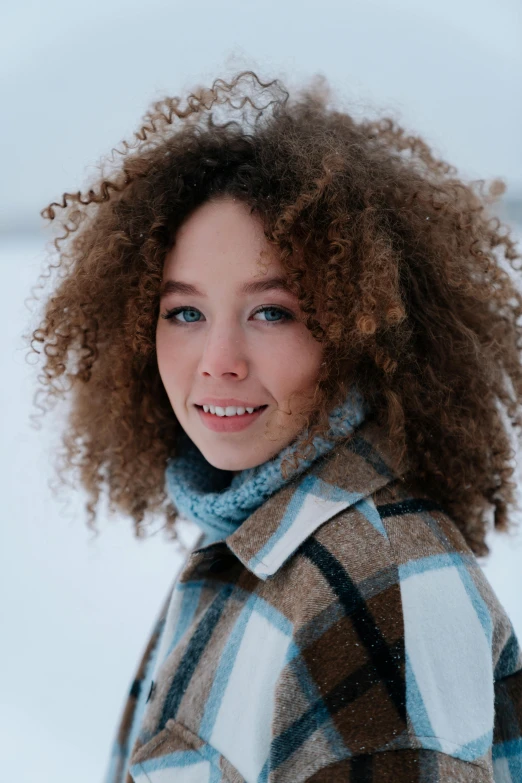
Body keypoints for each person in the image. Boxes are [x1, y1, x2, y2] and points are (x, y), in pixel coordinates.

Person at [27, 70, 522, 782]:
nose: (218, 362)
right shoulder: (252, 534)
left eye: (272, 312)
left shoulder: (378, 596)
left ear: (360, 329)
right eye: (185, 313)